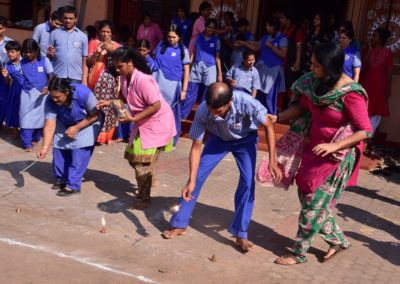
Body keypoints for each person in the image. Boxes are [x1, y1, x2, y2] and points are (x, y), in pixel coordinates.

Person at [265, 42, 372, 265]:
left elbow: (365, 131)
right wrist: (279, 117)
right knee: (307, 197)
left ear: (330, 67)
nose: (311, 69)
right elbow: (302, 106)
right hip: (314, 151)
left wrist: (335, 146)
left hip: (336, 157)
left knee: (313, 203)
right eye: (312, 64)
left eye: (316, 65)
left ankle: (298, 253)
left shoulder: (351, 94)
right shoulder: (315, 83)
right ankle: (338, 240)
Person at [162, 81, 282, 251]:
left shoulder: (247, 102)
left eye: (218, 111)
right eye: (211, 110)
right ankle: (179, 223)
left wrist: (272, 160)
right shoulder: (204, 110)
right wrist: (191, 179)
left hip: (245, 140)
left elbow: (269, 125)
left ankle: (241, 233)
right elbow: (196, 146)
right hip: (218, 140)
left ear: (229, 102)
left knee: (248, 183)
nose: (214, 114)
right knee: (196, 177)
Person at [98, 47, 176, 209]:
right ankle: (150, 178)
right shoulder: (126, 78)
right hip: (143, 124)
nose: (117, 70)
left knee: (141, 163)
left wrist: (133, 118)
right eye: (115, 66)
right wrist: (110, 102)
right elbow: (123, 97)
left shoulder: (143, 80)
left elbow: (155, 105)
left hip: (157, 124)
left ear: (130, 63)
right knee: (135, 158)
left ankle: (144, 198)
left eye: (120, 66)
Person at [37, 77, 103, 196]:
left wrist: (77, 128)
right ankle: (62, 178)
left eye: (58, 97)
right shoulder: (50, 100)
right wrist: (45, 147)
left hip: (88, 121)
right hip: (65, 122)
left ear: (66, 92)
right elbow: (50, 125)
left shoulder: (83, 93)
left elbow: (95, 115)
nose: (55, 100)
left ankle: (73, 185)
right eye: (52, 97)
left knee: (79, 153)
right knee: (59, 150)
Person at [153, 25, 190, 146]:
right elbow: (154, 63)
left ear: (179, 37)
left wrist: (184, 90)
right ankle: (156, 138)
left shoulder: (183, 50)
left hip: (173, 86)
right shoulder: (160, 45)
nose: (171, 39)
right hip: (158, 82)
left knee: (172, 114)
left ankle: (171, 141)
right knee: (156, 111)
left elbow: (186, 71)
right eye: (169, 37)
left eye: (174, 37)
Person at [87, 20, 121, 145]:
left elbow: (121, 63)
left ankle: (106, 136)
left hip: (111, 81)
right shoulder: (93, 43)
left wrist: (112, 52)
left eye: (108, 32)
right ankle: (93, 133)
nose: (105, 34)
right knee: (95, 105)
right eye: (103, 31)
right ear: (99, 32)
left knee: (109, 108)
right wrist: (97, 52)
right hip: (95, 80)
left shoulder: (117, 46)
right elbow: (89, 62)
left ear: (112, 33)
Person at [181, 18, 223, 119]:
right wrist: (188, 67)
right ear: (206, 27)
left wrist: (220, 73)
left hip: (210, 69)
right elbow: (193, 53)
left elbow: (217, 57)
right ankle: (183, 116)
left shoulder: (216, 40)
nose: (210, 29)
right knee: (190, 91)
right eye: (209, 27)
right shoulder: (198, 38)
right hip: (197, 66)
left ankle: (202, 118)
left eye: (213, 28)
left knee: (207, 94)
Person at [245, 16, 288, 114]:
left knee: (270, 96)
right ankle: (258, 114)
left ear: (273, 27)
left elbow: (284, 54)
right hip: (262, 69)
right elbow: (258, 48)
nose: (266, 27)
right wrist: (247, 44)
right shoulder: (266, 36)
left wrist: (272, 46)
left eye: (268, 25)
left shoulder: (283, 38)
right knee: (258, 92)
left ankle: (270, 117)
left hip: (273, 70)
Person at [19, 39, 54, 152]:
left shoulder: (44, 60)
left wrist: (47, 87)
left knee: (39, 118)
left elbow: (51, 75)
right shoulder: (21, 62)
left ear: (36, 50)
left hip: (42, 94)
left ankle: (36, 138)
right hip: (27, 94)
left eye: (31, 52)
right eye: (26, 52)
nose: (28, 54)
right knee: (26, 118)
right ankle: (27, 144)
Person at [359, 28, 393, 133]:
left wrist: (388, 88)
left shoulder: (388, 53)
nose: (372, 37)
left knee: (376, 109)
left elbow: (389, 72)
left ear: (381, 39)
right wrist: (368, 51)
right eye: (372, 35)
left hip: (379, 86)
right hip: (366, 85)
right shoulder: (369, 51)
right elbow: (363, 67)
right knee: (362, 108)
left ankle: (368, 137)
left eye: (375, 36)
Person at [47, 5, 88, 84]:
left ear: (76, 19)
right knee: (57, 96)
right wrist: (49, 54)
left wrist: (84, 79)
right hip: (58, 75)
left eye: (71, 18)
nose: (68, 21)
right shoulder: (54, 34)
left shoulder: (82, 36)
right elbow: (49, 57)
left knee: (73, 96)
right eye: (65, 18)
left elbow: (84, 60)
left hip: (75, 76)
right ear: (62, 18)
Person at [1, 41, 23, 136]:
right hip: (15, 90)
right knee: (14, 110)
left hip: (26, 90)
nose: (10, 54)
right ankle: (15, 132)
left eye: (12, 51)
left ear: (19, 52)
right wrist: (5, 76)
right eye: (8, 51)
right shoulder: (7, 65)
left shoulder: (25, 62)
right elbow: (7, 83)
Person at [0, 17, 13, 127]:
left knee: (3, 100)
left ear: (4, 29)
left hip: (4, 75)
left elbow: (15, 59)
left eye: (0, 28)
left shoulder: (9, 42)